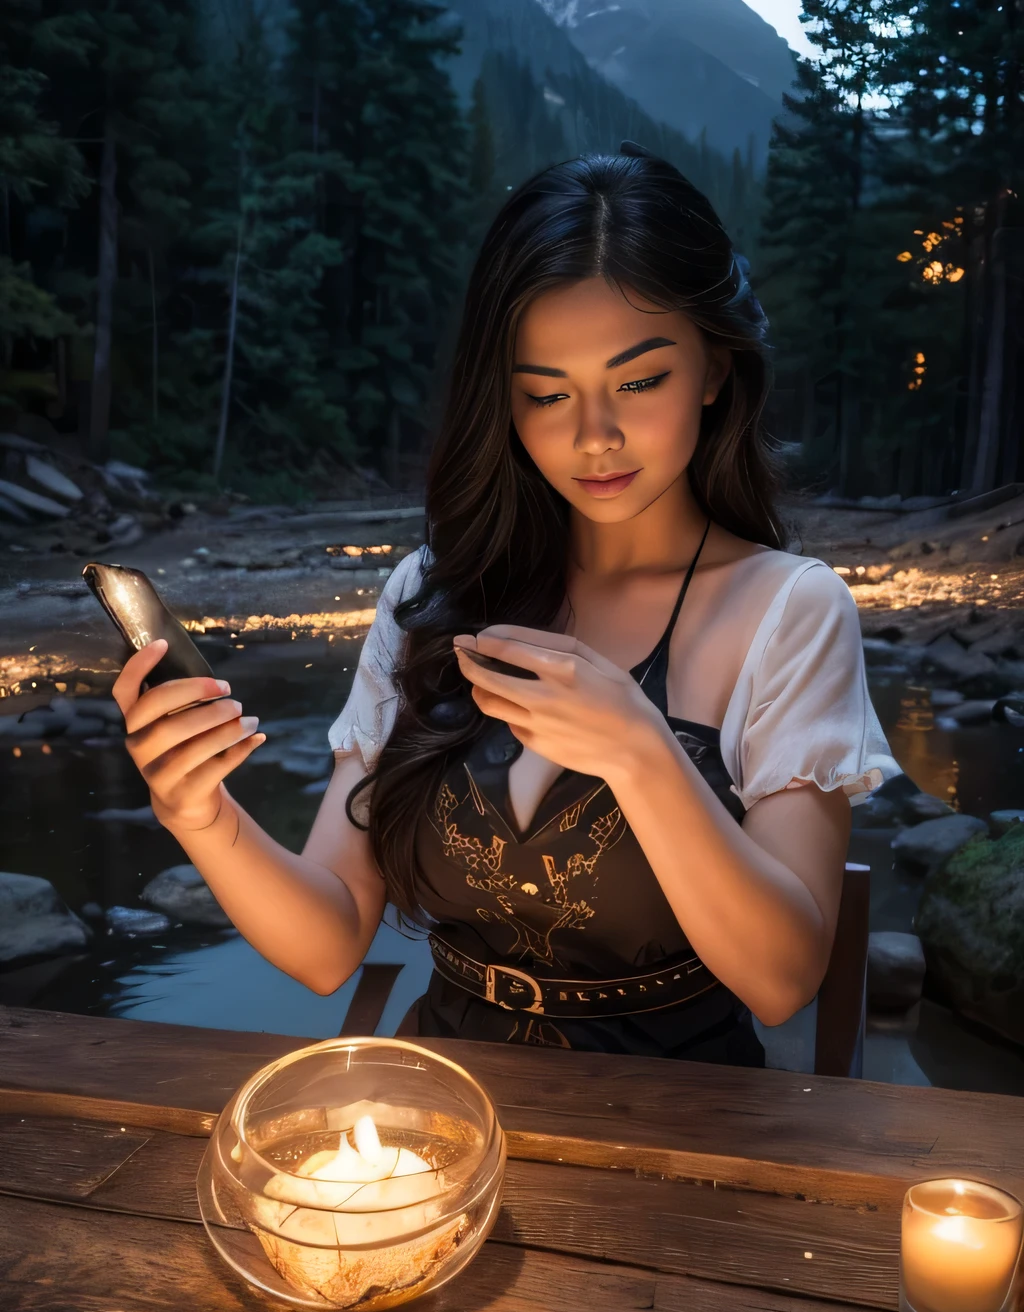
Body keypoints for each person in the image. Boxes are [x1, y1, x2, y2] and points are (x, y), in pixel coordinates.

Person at [112, 144, 901, 1064]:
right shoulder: (430, 591)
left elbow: (782, 980)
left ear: (715, 370)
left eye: (640, 382)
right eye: (546, 395)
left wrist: (642, 751)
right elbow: (328, 947)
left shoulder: (788, 611)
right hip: (445, 1105)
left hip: (687, 1128)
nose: (594, 436)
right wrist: (200, 815)